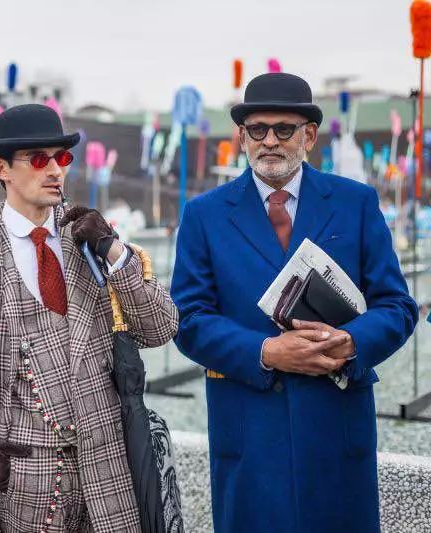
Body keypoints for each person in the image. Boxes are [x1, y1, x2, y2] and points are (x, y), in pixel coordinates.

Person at [0, 104, 179, 532]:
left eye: (61, 157)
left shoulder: (90, 240)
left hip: (109, 475)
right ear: (2, 169)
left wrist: (115, 252)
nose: (55, 170)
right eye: (38, 159)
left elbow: (161, 328)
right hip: (20, 486)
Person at [171, 72, 418, 533]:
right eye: (257, 129)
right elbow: (188, 319)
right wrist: (265, 352)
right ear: (241, 137)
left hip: (335, 432)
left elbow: (397, 306)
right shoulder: (203, 214)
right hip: (250, 437)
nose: (270, 141)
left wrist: (350, 342)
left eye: (284, 129)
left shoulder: (356, 203)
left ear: (309, 136)